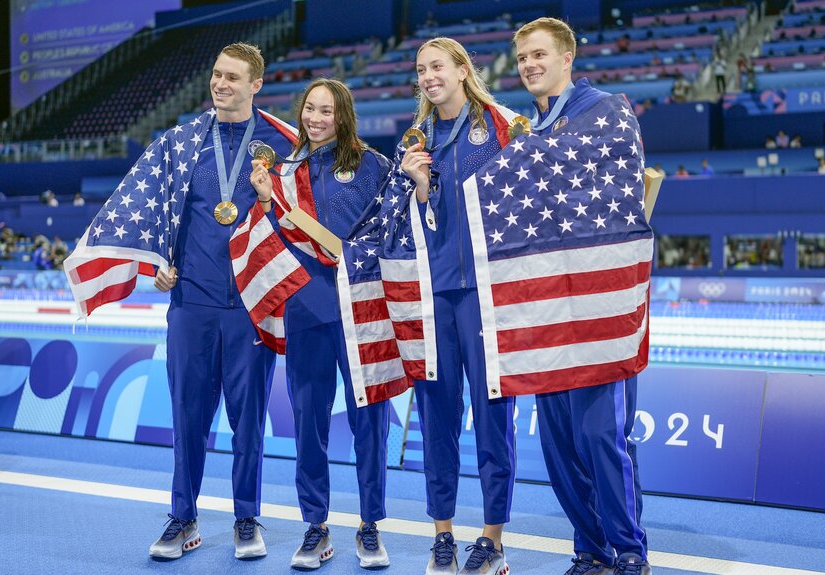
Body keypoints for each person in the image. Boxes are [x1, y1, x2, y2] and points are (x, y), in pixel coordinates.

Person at [147, 42, 297, 561]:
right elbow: (159, 212)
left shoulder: (282, 143)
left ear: (257, 84)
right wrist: (157, 263)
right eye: (216, 75)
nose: (220, 84)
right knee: (188, 416)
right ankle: (183, 518)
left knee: (248, 420)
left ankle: (245, 517)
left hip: (253, 306)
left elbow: (298, 222)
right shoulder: (182, 142)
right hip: (191, 303)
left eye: (233, 77)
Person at [514, 17, 652, 575]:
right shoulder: (529, 129)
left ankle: (628, 552)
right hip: (547, 308)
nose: (529, 65)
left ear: (568, 58)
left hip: (596, 308)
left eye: (540, 54)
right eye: (522, 57)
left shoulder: (607, 110)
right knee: (561, 442)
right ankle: (590, 550)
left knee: (601, 435)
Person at [249, 78, 394, 571]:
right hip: (305, 310)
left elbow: (393, 230)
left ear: (343, 115)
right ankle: (316, 526)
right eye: (309, 109)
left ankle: (369, 525)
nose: (315, 118)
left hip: (361, 309)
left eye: (326, 111)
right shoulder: (284, 173)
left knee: (368, 423)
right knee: (309, 421)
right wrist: (266, 201)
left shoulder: (372, 164)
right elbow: (268, 242)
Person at [399, 37, 518, 575]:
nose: (428, 76)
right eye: (421, 69)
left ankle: (492, 538)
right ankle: (442, 534)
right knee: (436, 417)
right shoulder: (418, 139)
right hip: (435, 295)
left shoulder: (500, 124)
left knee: (494, 417)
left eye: (437, 66)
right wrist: (419, 187)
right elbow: (418, 225)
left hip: (489, 296)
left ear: (463, 70)